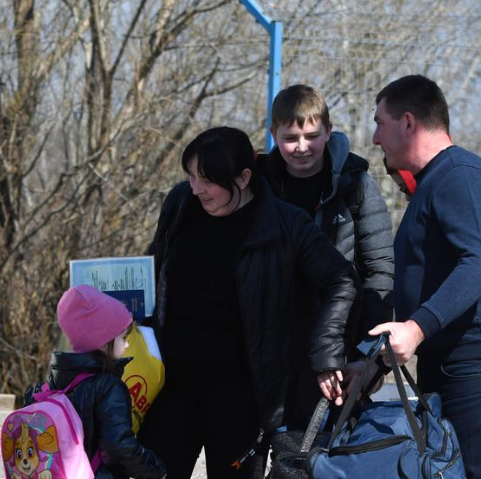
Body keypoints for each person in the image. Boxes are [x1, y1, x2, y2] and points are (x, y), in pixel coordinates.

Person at [137, 127, 358, 478]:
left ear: (243, 177)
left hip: (241, 397)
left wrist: (326, 350)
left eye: (207, 180)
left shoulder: (285, 222)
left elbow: (341, 280)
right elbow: (153, 268)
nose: (196, 188)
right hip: (171, 386)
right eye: (191, 176)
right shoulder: (180, 203)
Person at [368, 74, 481, 479]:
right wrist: (375, 362)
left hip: (479, 370)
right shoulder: (437, 180)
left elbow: (480, 264)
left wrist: (415, 329)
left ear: (408, 122)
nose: (375, 138)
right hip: (456, 368)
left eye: (380, 123)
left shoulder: (460, 175)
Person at [261, 84, 394, 337]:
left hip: (341, 333)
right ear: (273, 135)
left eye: (312, 136)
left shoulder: (357, 184)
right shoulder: (260, 188)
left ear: (328, 131)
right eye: (290, 138)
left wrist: (370, 345)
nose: (302, 147)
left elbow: (379, 269)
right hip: (275, 336)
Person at [24, 285, 167, 479]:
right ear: (102, 342)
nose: (127, 344)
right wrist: (156, 469)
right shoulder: (109, 387)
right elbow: (119, 446)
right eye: (122, 337)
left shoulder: (56, 381)